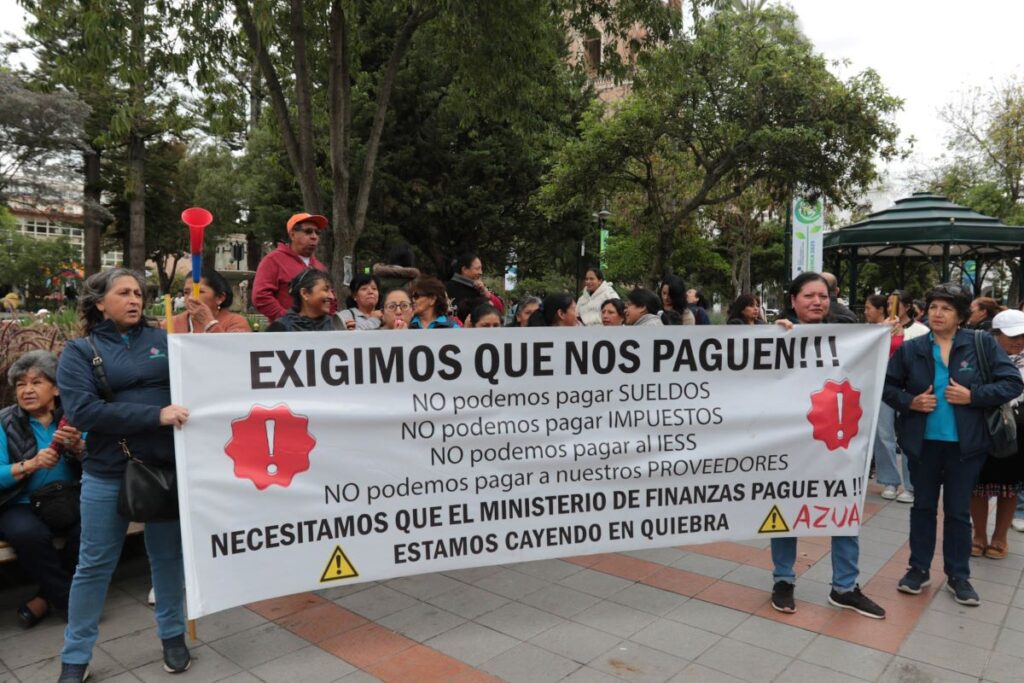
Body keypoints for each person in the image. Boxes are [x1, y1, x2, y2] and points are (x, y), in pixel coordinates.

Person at [55, 268, 192, 682]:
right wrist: (156, 414)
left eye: (138, 293)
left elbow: (202, 382)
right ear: (99, 302)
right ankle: (75, 657)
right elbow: (83, 412)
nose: (135, 299)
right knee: (94, 564)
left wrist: (205, 330)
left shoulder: (165, 341)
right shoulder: (80, 351)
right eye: (123, 293)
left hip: (165, 469)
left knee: (168, 558)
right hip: (107, 472)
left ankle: (173, 635)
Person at [884, 283, 1023, 606]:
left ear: (960, 316)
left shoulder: (981, 345)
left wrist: (973, 396)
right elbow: (888, 386)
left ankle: (958, 575)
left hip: (966, 446)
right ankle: (918, 569)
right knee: (922, 509)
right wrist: (910, 402)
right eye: (933, 307)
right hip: (923, 445)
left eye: (946, 308)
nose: (937, 313)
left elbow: (1011, 382)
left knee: (959, 513)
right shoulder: (912, 348)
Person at [771, 272, 885, 619]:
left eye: (823, 296)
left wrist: (884, 337)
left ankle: (845, 587)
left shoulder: (850, 336)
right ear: (793, 300)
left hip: (837, 442)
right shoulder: (774, 334)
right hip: (790, 443)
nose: (817, 302)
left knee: (843, 509)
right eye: (809, 296)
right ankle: (783, 580)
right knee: (786, 511)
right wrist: (775, 336)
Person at [0, 351, 83, 629]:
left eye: (36, 382)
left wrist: (79, 448)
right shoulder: (4, 422)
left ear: (56, 388)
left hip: (69, 496)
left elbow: (99, 459)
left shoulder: (72, 417)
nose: (27, 390)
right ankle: (69, 601)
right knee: (28, 534)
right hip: (18, 502)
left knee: (91, 527)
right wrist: (29, 465)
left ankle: (44, 599)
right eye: (21, 384)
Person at [970, 309, 1024, 559]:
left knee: (1009, 487)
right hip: (982, 425)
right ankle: (978, 535)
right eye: (1012, 335)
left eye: (1023, 335)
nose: (1019, 340)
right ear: (995, 335)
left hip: (1017, 430)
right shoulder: (980, 356)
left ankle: (1000, 537)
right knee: (978, 484)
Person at [252, 212, 331, 322]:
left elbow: (331, 298)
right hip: (286, 335)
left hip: (318, 332)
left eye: (317, 232)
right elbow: (260, 296)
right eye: (308, 231)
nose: (314, 236)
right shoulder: (273, 260)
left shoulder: (319, 266)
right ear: (292, 234)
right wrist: (288, 320)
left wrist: (330, 321)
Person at [164, 268, 251, 333]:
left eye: (199, 292)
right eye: (186, 292)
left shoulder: (235, 322)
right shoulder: (170, 323)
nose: (190, 297)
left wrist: (209, 322)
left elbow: (234, 351)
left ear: (220, 298)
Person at [266, 269, 342, 332]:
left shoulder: (336, 326)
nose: (332, 297)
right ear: (305, 294)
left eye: (331, 291)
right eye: (325, 290)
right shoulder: (281, 328)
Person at [446, 254, 504, 318]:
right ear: (464, 269)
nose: (481, 272)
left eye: (481, 269)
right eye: (477, 269)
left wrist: (486, 293)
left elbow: (500, 308)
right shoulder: (446, 289)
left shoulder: (482, 288)